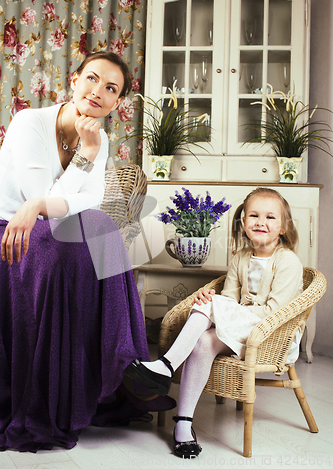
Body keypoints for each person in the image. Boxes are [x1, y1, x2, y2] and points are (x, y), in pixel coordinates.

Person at [0, 51, 174, 453]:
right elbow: (41, 198)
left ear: (116, 104)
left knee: (102, 228)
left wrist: (48, 200)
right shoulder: (31, 123)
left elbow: (86, 203)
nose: (98, 91)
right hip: (11, 229)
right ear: (74, 79)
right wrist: (82, 159)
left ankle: (126, 362)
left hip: (48, 224)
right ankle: (119, 365)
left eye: (110, 88)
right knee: (70, 247)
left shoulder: (100, 136)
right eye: (92, 79)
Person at [125, 187, 303, 459]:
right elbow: (230, 298)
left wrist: (219, 307)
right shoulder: (241, 258)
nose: (260, 222)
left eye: (270, 217)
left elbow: (275, 313)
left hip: (271, 336)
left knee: (211, 305)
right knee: (203, 340)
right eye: (253, 215)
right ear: (242, 223)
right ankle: (183, 424)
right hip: (240, 331)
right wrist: (216, 300)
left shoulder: (287, 261)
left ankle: (166, 365)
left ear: (283, 227)